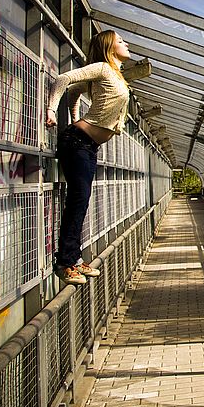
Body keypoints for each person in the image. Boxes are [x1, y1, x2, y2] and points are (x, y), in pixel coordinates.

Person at [45, 30, 132, 285]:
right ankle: (65, 263)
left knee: (81, 201)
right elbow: (64, 80)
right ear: (108, 46)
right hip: (77, 142)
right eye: (120, 41)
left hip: (88, 145)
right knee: (78, 199)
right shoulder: (104, 68)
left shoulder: (115, 75)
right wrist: (52, 110)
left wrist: (74, 115)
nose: (126, 44)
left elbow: (76, 93)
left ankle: (73, 257)